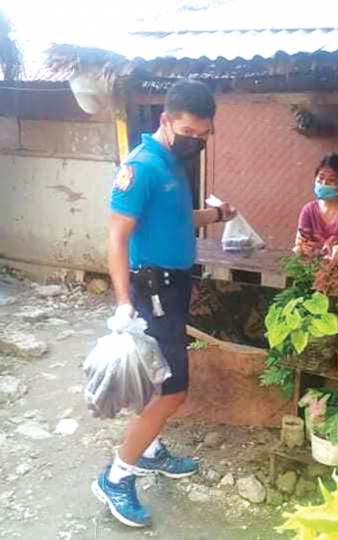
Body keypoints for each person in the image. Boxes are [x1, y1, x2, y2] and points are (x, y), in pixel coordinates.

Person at [92, 80, 236, 528]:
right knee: (174, 391)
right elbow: (116, 237)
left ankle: (150, 451)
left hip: (173, 288)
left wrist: (215, 216)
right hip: (149, 292)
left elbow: (176, 217)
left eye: (205, 134)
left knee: (158, 379)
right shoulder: (140, 167)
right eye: (191, 131)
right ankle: (116, 476)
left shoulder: (174, 163)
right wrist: (123, 306)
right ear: (166, 121)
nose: (198, 140)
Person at [293, 154, 338, 254]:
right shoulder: (309, 210)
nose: (324, 183)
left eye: (332, 180)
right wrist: (305, 248)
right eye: (321, 178)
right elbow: (300, 244)